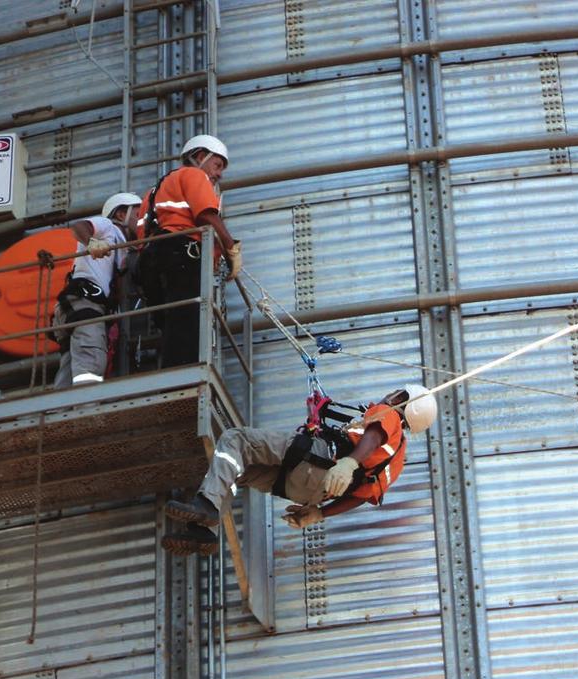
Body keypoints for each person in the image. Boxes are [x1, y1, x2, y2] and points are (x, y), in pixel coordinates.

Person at [160, 384, 439, 556]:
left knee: (236, 440)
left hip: (316, 459)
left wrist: (350, 461)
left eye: (399, 393)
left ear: (403, 400)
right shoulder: (395, 465)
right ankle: (202, 531)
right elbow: (361, 496)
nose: (392, 394)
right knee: (234, 471)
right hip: (309, 492)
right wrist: (319, 513)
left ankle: (207, 506)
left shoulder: (388, 415)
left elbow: (374, 435)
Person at [136, 134, 242, 369]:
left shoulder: (153, 193)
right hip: (179, 256)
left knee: (172, 326)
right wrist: (229, 246)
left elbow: (141, 235)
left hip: (150, 263)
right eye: (217, 165)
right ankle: (182, 387)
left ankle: (173, 380)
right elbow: (206, 213)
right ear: (200, 157)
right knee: (186, 324)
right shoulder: (194, 175)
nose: (219, 174)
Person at [52, 192, 142, 388]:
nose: (141, 219)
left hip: (76, 307)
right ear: (121, 215)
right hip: (85, 304)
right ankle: (85, 415)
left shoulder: (124, 247)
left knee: (70, 369)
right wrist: (91, 242)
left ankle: (61, 415)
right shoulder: (108, 227)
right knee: (91, 364)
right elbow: (79, 227)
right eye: (137, 214)